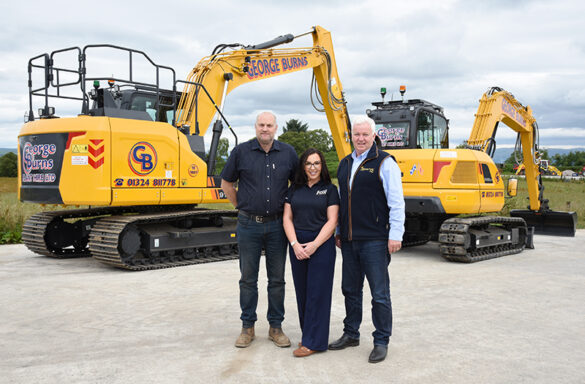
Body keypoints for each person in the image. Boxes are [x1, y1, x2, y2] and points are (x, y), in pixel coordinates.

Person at [328, 115, 405, 363]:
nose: (360, 138)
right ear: (351, 136)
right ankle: (351, 334)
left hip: (375, 240)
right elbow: (341, 201)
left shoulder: (385, 162)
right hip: (349, 241)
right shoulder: (344, 164)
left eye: (365, 134)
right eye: (356, 134)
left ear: (374, 136)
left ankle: (381, 341)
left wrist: (395, 235)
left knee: (379, 294)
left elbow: (396, 202)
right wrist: (339, 230)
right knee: (350, 289)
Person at [220, 111, 298, 348]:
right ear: (255, 127)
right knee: (247, 279)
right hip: (248, 224)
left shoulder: (288, 153)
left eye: (269, 125)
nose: (265, 129)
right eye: (261, 125)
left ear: (276, 128)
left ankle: (276, 327)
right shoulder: (241, 152)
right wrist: (241, 206)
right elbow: (226, 183)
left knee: (277, 280)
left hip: (277, 225)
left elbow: (297, 185)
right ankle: (248, 327)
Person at [282, 148, 339, 358]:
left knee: (318, 294)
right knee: (303, 293)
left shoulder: (330, 189)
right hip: (297, 246)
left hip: (321, 246)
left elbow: (332, 220)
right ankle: (309, 336)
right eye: (308, 163)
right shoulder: (294, 189)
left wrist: (314, 244)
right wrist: (295, 244)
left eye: (316, 163)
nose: (313, 167)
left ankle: (314, 343)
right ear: (303, 167)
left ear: (322, 166)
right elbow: (287, 218)